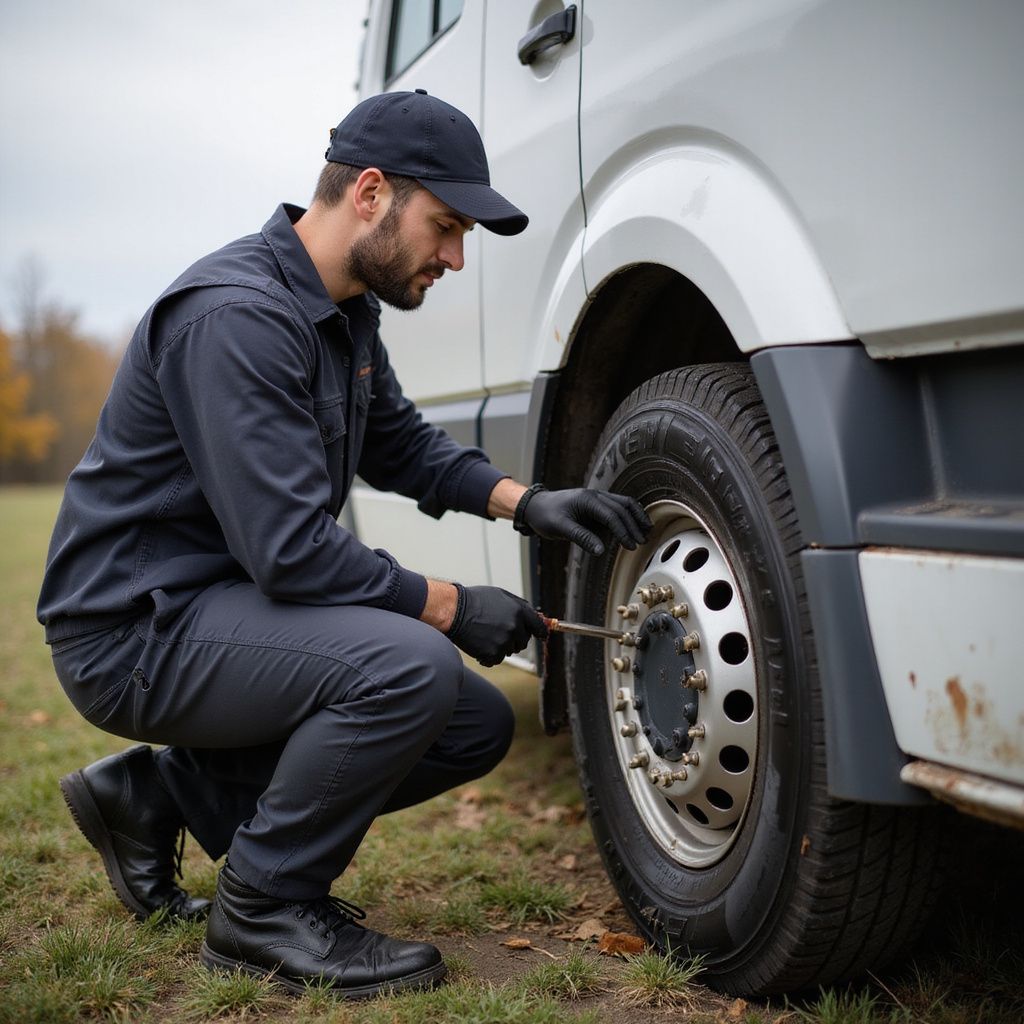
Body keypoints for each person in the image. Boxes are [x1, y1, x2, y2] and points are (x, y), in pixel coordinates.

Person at [37, 90, 651, 999]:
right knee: (407, 664)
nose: (453, 256)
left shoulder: (342, 308)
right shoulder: (235, 317)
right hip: (134, 629)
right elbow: (289, 552)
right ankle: (262, 908)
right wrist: (449, 605)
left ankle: (162, 799)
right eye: (445, 226)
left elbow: (399, 444)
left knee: (473, 723)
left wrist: (527, 503)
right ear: (370, 193)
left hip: (221, 606)